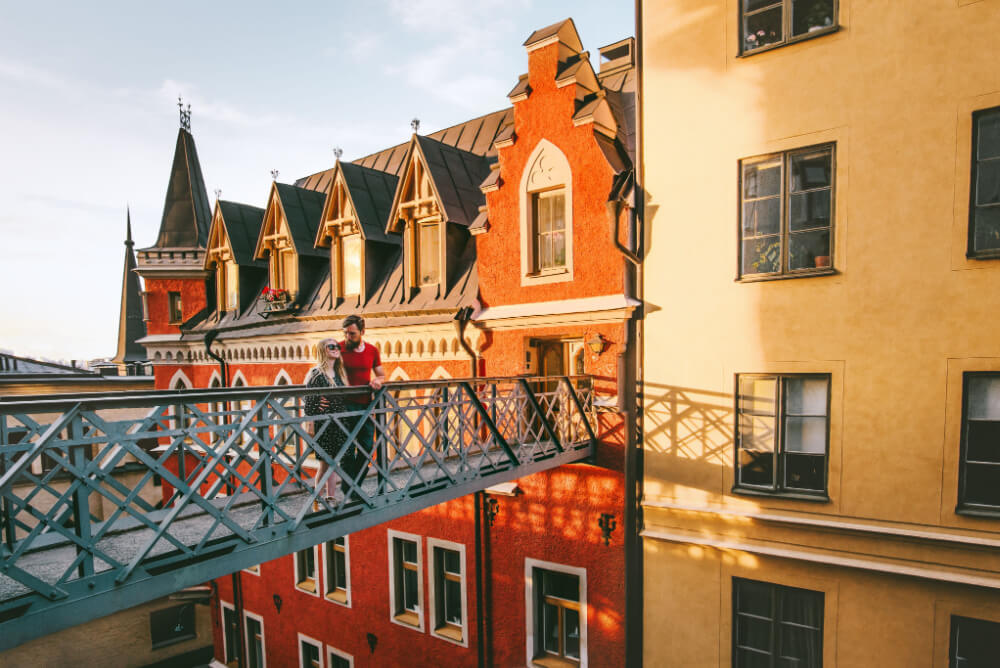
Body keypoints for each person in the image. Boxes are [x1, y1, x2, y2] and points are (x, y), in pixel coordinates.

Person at [338, 314, 386, 497]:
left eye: (352, 334)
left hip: (365, 406)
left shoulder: (372, 351)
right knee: (347, 449)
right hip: (344, 405)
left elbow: (381, 373)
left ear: (362, 332)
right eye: (345, 333)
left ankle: (351, 486)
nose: (347, 337)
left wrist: (378, 380)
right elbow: (324, 370)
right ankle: (351, 490)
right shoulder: (337, 348)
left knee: (367, 447)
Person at [303, 338, 349, 505]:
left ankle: (330, 496)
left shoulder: (340, 374)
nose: (335, 348)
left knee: (334, 463)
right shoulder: (316, 374)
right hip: (324, 425)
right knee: (325, 464)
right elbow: (308, 402)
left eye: (337, 346)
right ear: (323, 350)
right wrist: (312, 423)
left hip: (340, 424)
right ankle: (316, 498)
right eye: (331, 346)